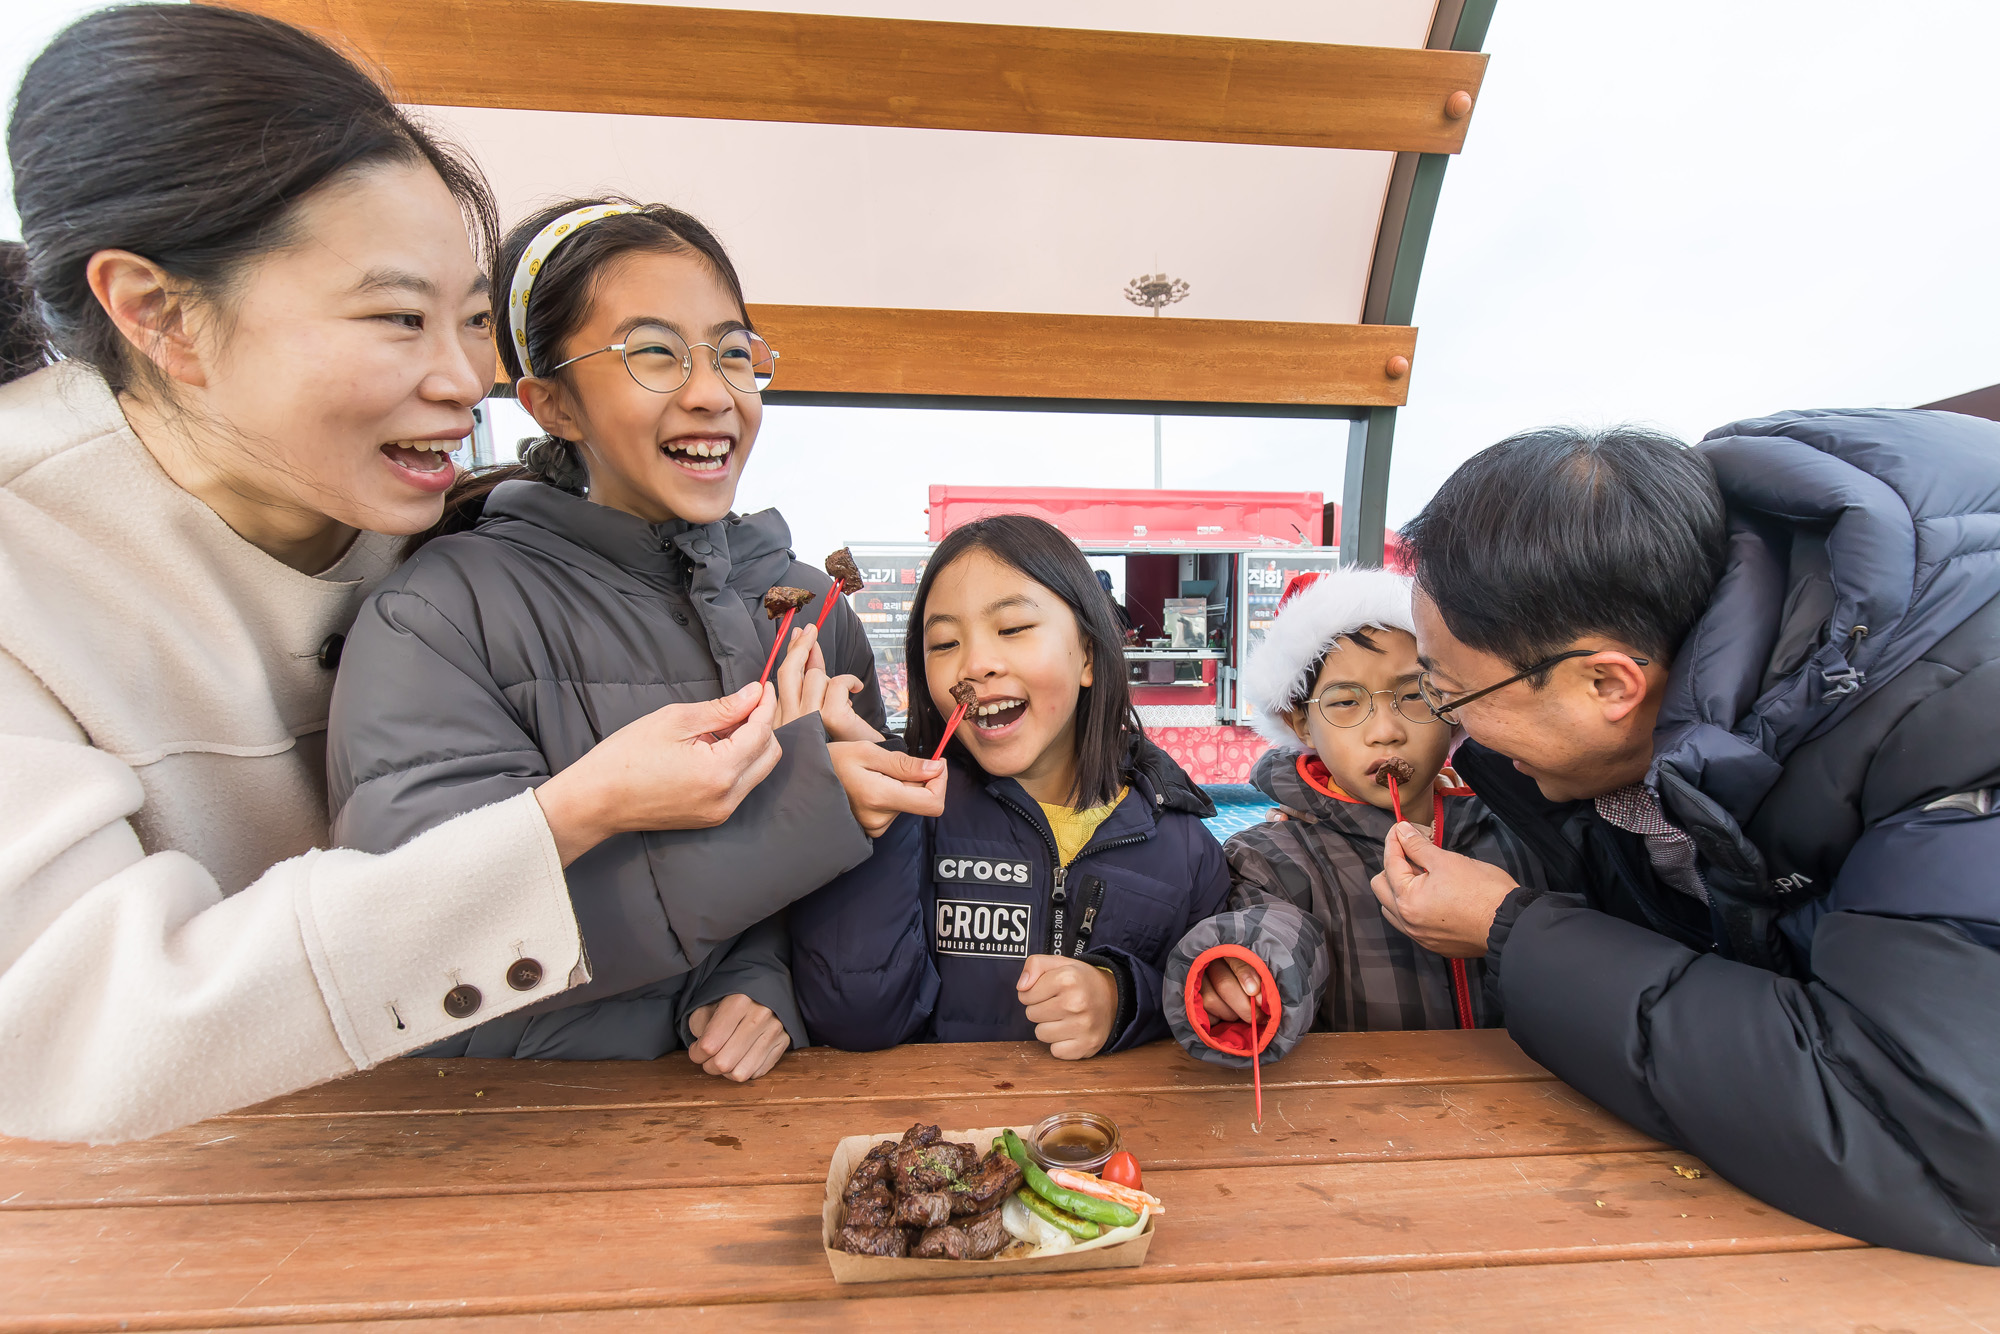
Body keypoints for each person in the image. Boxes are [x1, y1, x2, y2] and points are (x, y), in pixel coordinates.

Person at [0, 7, 785, 1143]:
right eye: (398, 317)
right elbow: (78, 1022)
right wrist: (564, 817)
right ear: (159, 313)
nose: (468, 378)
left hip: (454, 1149)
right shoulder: (30, 558)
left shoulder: (458, 535)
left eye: (472, 320)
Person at [326, 199, 946, 1074]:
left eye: (735, 354)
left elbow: (850, 926)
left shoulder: (810, 611)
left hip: (770, 1127)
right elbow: (432, 952)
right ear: (553, 404)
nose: (712, 392)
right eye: (653, 353)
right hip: (512, 1137)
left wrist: (769, 987)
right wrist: (806, 807)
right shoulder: (438, 616)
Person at [1373, 421, 2000, 1266]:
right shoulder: (1700, 672)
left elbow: (1935, 1144)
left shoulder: (1950, 732)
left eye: (1449, 693)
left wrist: (1512, 929)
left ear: (1609, 683)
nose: (1447, 733)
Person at [790, 515, 1230, 1058]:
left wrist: (1121, 1000)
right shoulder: (919, 819)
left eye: (1014, 629)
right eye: (945, 642)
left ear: (1088, 655)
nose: (974, 666)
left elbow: (1211, 1004)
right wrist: (874, 818)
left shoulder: (1187, 850)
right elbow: (857, 1020)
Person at [1161, 567, 1540, 1066]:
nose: (1385, 730)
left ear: (1450, 704)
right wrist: (1245, 966)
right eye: (1344, 702)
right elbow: (1271, 928)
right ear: (1303, 723)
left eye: (1413, 696)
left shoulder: (1520, 831)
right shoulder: (1270, 857)